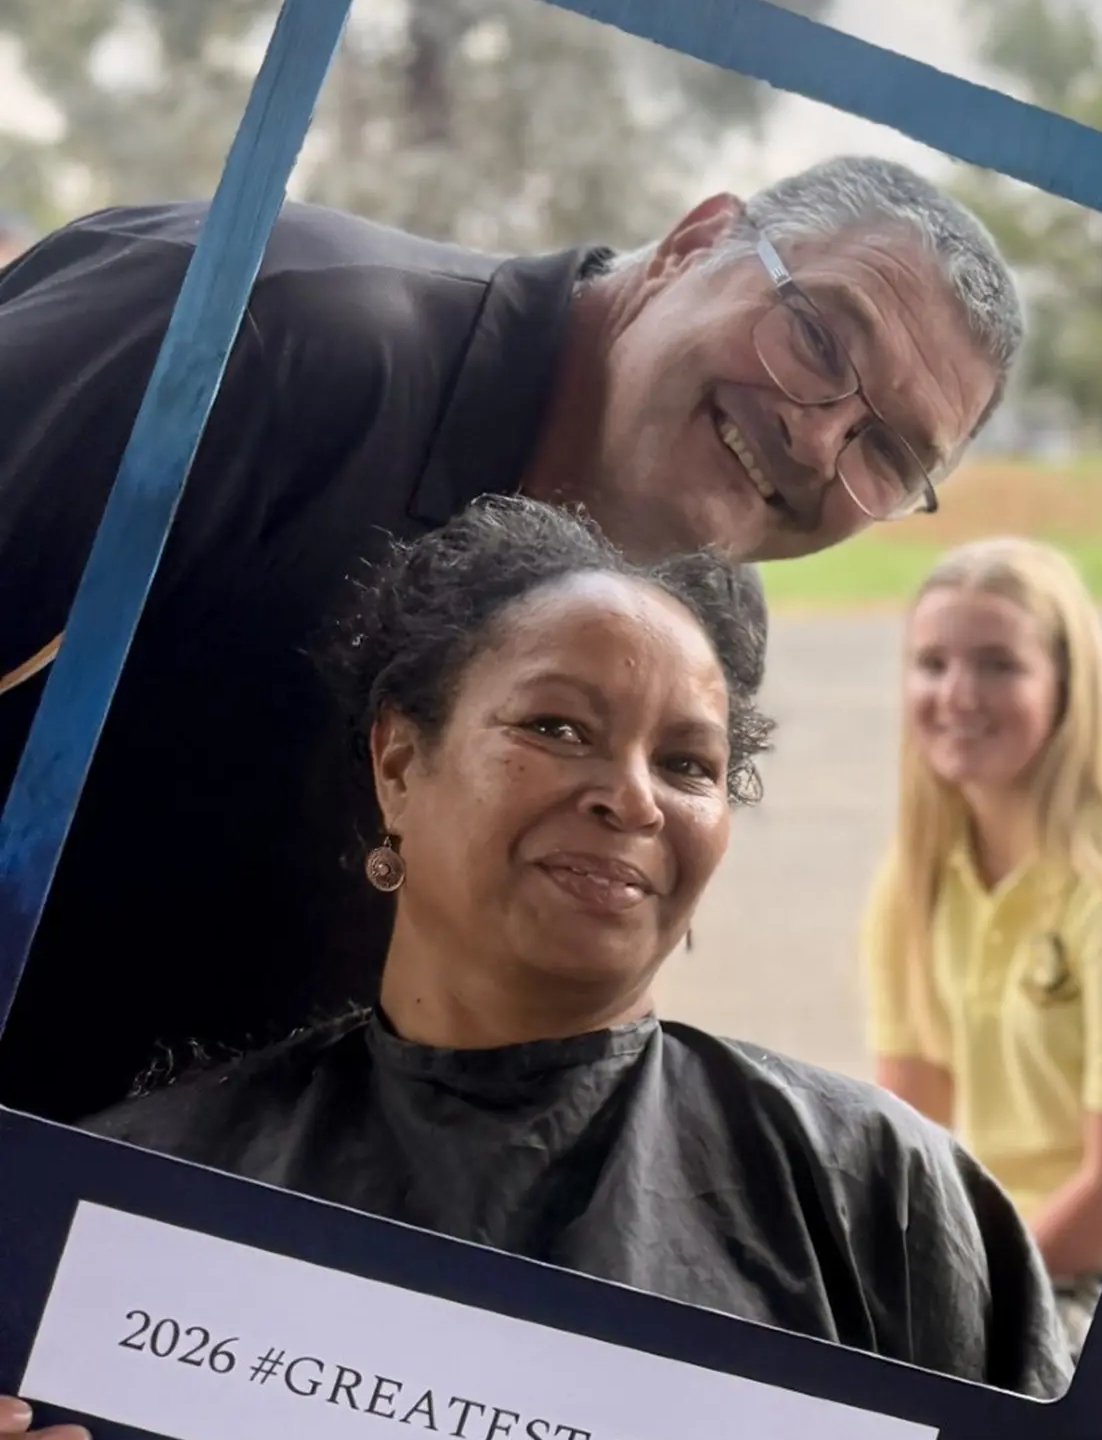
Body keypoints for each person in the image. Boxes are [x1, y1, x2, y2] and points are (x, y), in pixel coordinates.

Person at [13, 499, 1069, 1440]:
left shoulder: (879, 1194)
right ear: (397, 764)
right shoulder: (129, 1198)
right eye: (556, 727)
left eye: (690, 765)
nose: (630, 798)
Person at [0, 156, 1021, 1125]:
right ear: (695, 243)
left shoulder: (700, 629)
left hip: (213, 1262)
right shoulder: (262, 333)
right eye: (817, 338)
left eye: (885, 450)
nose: (816, 436)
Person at [858, 537, 1102, 1346]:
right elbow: (911, 1138)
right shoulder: (916, 877)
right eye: (932, 664)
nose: (958, 694)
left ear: (1068, 686)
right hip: (993, 1261)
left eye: (999, 665)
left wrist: (956, 1302)